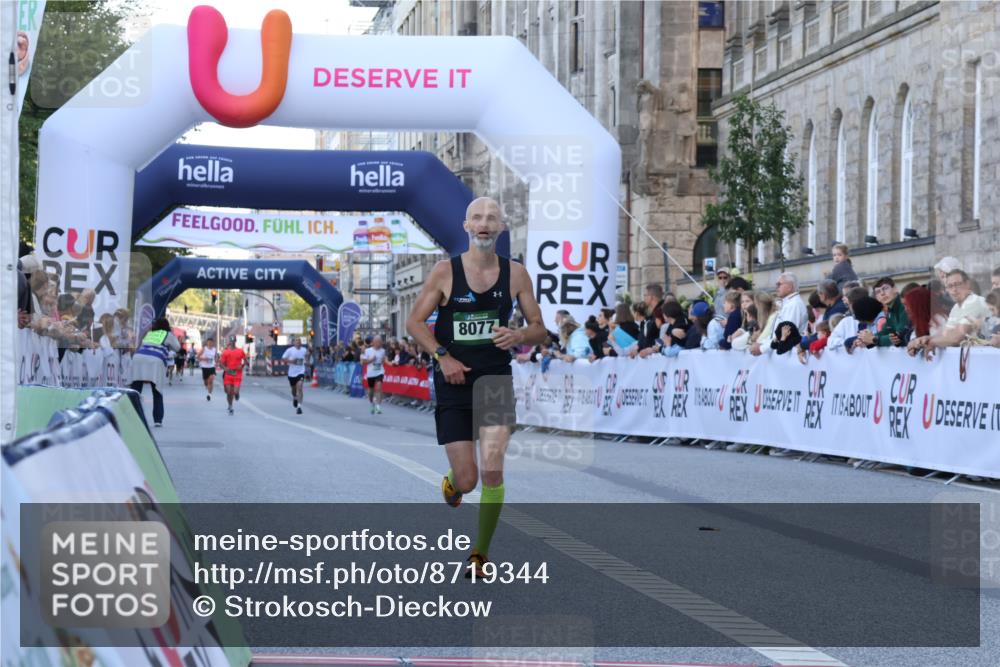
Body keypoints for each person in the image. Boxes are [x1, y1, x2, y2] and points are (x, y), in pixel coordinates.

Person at [404, 196, 547, 577]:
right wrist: (442, 356)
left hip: (495, 380)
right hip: (454, 381)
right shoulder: (444, 272)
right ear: (466, 226)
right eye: (477, 218)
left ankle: (479, 555)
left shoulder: (516, 274)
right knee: (467, 480)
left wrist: (518, 333)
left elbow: (540, 329)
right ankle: (453, 482)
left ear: (500, 227)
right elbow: (415, 323)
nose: (485, 223)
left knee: (494, 471)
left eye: (492, 218)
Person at [129, 317, 181, 427]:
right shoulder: (168, 335)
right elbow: (177, 348)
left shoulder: (150, 334)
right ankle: (158, 419)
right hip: (155, 361)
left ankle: (132, 415)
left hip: (138, 358)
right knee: (157, 391)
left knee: (136, 390)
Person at [219, 336, 248, 415]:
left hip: (237, 374)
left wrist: (241, 366)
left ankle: (237, 394)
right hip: (228, 374)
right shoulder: (225, 352)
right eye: (231, 341)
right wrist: (225, 369)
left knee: (234, 391)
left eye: (233, 341)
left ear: (235, 341)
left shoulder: (240, 351)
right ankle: (230, 406)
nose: (232, 342)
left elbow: (246, 361)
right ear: (229, 341)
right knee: (228, 392)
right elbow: (220, 363)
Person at [282, 336, 308, 414]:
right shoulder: (290, 350)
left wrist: (307, 359)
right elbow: (283, 358)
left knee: (299, 387)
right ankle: (295, 398)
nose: (298, 342)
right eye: (296, 341)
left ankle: (299, 407)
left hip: (300, 372)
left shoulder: (304, 350)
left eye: (299, 341)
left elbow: (306, 357)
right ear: (294, 343)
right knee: (293, 390)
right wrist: (291, 361)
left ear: (301, 342)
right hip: (292, 373)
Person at [361, 335, 386, 414]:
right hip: (371, 373)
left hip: (380, 371)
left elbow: (383, 361)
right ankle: (372, 403)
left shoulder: (383, 351)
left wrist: (383, 361)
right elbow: (363, 362)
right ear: (374, 342)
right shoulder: (368, 351)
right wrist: (371, 360)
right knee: (371, 391)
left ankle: (378, 406)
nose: (379, 343)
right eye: (378, 342)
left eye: (380, 342)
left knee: (379, 387)